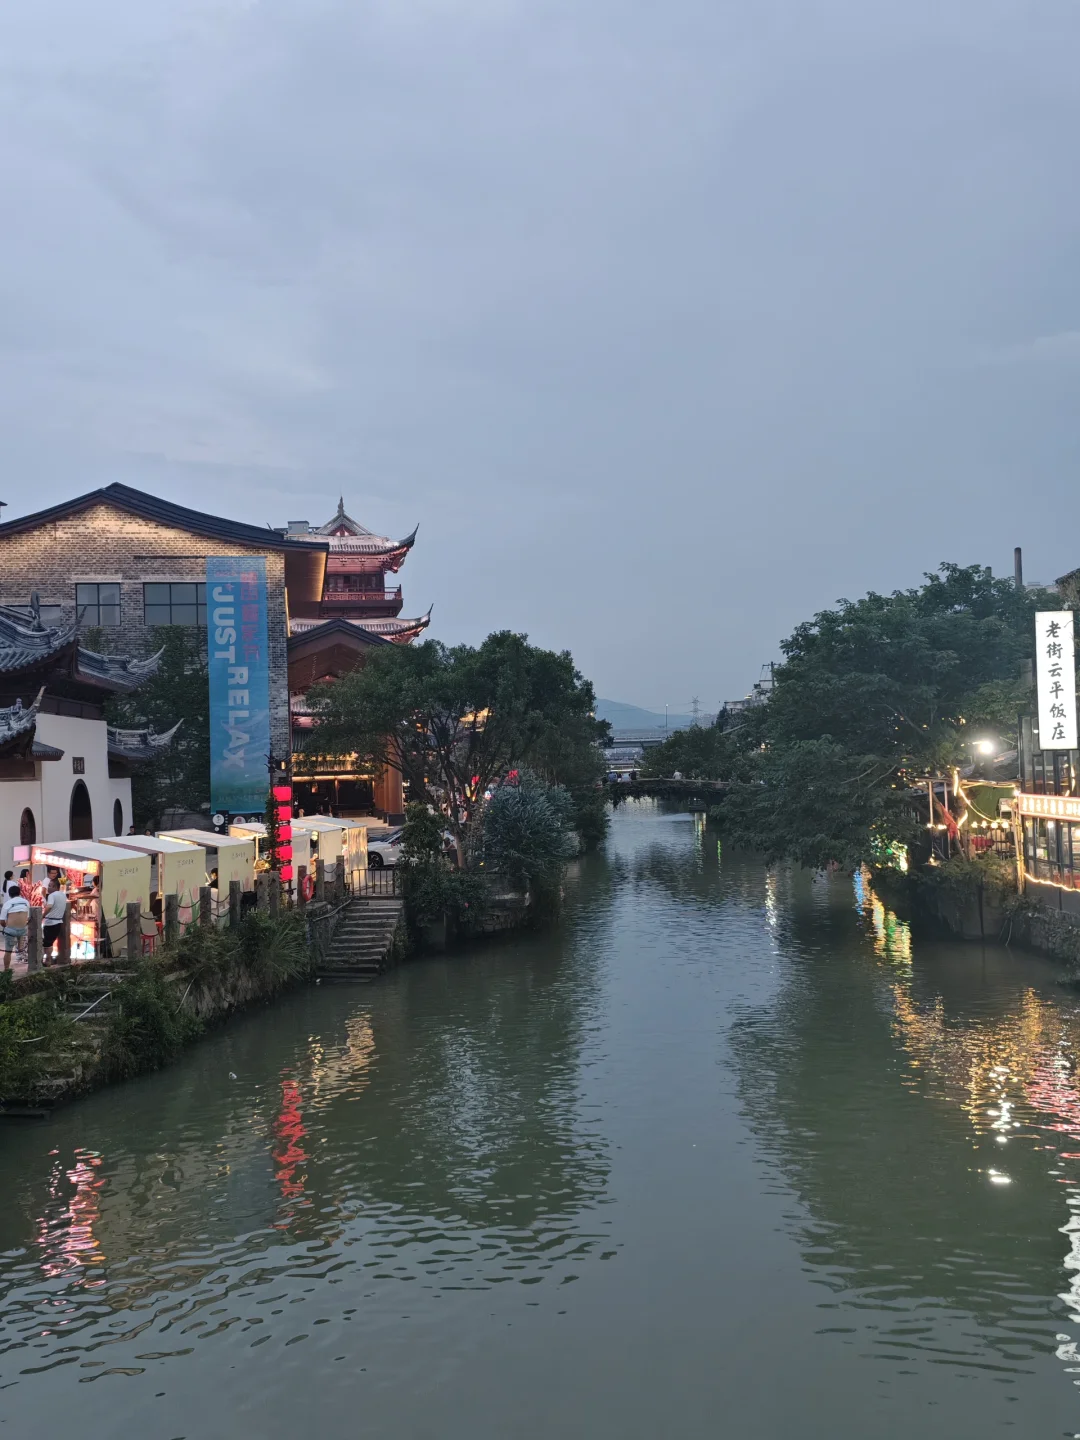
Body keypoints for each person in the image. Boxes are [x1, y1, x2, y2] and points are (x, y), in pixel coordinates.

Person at [0, 884, 30, 971]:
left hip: (11, 930)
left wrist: (5, 927)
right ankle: (21, 949)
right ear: (19, 893)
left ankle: (6, 970)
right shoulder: (26, 902)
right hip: (23, 930)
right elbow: (28, 917)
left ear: (9, 894)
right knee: (23, 934)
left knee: (8, 951)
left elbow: (2, 921)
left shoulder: (7, 903)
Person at [42, 879, 67, 964]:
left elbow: (49, 906)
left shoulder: (52, 895)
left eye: (50, 886)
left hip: (50, 923)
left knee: (47, 943)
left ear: (55, 886)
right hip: (58, 922)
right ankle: (48, 960)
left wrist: (42, 915)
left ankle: (47, 960)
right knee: (50, 942)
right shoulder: (63, 895)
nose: (48, 888)